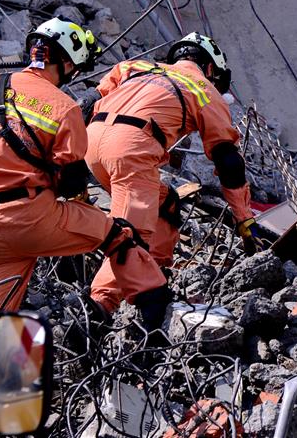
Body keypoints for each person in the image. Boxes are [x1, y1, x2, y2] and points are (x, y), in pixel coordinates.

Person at [0, 17, 167, 368]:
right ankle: (155, 323)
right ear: (66, 63)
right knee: (119, 237)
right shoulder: (63, 107)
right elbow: (70, 183)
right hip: (31, 217)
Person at [84, 32, 256, 317]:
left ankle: (155, 274)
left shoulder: (134, 67)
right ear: (210, 69)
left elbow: (85, 104)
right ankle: (100, 306)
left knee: (165, 205)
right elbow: (228, 161)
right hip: (131, 149)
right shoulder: (203, 89)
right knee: (129, 235)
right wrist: (244, 219)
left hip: (92, 142)